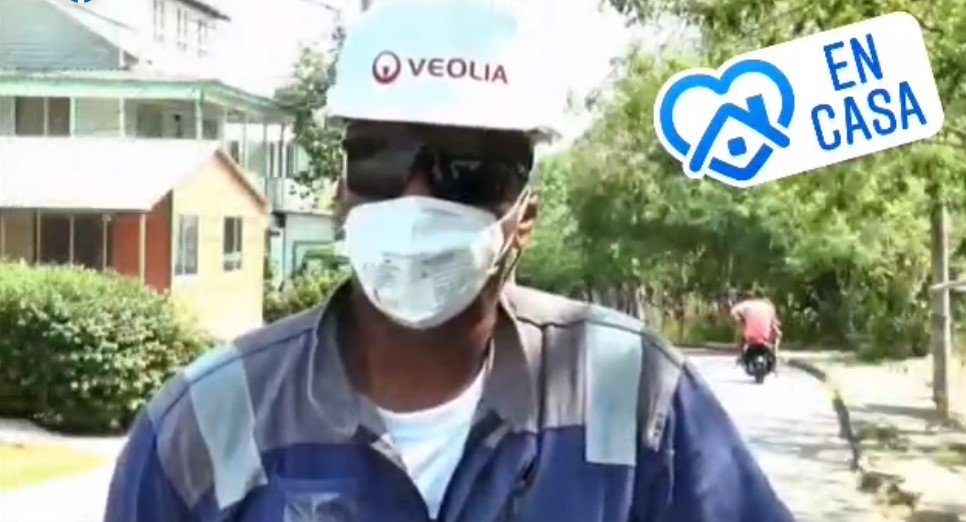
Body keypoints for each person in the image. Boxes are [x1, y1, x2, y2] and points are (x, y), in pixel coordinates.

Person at [104, 1, 795, 520]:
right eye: (381, 158)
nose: (418, 198)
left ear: (525, 216)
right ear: (341, 190)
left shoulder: (636, 397)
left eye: (468, 169)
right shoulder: (203, 425)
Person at [731, 291, 783, 368]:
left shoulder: (746, 304)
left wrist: (741, 320)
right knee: (778, 334)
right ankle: (775, 355)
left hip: (750, 335)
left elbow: (733, 311)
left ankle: (740, 353)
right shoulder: (769, 306)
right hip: (765, 336)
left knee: (739, 331)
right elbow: (774, 322)